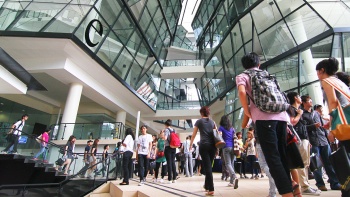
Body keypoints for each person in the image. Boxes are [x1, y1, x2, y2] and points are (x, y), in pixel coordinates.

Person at [236, 52, 293, 197]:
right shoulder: (266, 74)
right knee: (281, 155)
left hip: (263, 118)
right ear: (259, 64)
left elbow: (242, 92)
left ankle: (287, 193)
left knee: (272, 157)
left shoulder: (243, 76)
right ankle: (292, 189)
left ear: (244, 65)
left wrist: (247, 111)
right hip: (282, 117)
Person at [316, 57, 350, 197]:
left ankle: (347, 191)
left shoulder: (327, 81)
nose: (317, 75)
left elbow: (333, 103)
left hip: (345, 125)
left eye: (318, 71)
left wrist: (331, 129)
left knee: (345, 158)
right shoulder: (339, 82)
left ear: (322, 70)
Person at [301, 94, 341, 191]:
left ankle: (334, 183)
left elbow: (323, 127)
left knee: (329, 163)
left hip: (323, 140)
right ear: (303, 103)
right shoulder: (302, 114)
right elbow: (302, 129)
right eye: (308, 100)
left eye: (311, 100)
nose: (310, 101)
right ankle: (320, 184)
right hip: (313, 141)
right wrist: (313, 126)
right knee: (316, 164)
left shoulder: (316, 113)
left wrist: (328, 137)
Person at [286, 92, 321, 196]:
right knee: (301, 163)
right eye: (299, 96)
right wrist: (299, 114)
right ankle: (304, 186)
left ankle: (305, 185)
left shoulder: (297, 110)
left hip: (303, 139)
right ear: (295, 98)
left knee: (305, 163)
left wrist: (308, 140)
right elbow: (292, 122)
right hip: (298, 139)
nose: (300, 98)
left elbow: (303, 127)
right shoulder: (291, 109)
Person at [190, 106, 217, 196]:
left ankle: (211, 188)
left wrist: (190, 145)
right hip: (213, 146)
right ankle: (206, 186)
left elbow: (193, 135)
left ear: (201, 113)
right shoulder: (212, 122)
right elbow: (217, 134)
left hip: (204, 145)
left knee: (207, 167)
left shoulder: (199, 121)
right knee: (209, 166)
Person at [218, 115, 238, 188]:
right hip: (233, 147)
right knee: (231, 164)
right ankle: (232, 182)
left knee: (227, 164)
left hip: (225, 147)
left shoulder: (221, 128)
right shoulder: (232, 128)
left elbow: (219, 137)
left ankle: (234, 176)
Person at [163, 119, 177, 184]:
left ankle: (169, 179)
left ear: (166, 125)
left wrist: (162, 136)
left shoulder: (166, 130)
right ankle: (174, 178)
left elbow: (165, 138)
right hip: (174, 147)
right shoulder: (173, 130)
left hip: (168, 147)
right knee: (173, 162)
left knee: (169, 163)